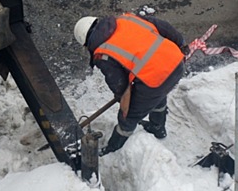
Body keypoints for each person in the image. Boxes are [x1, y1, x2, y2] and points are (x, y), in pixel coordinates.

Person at [73, 12, 186, 155]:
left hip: (156, 78)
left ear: (85, 43)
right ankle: (157, 127)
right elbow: (163, 27)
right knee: (156, 96)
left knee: (129, 116)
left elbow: (119, 83)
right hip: (176, 61)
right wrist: (180, 43)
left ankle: (114, 150)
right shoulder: (126, 19)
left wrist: (124, 101)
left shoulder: (102, 53)